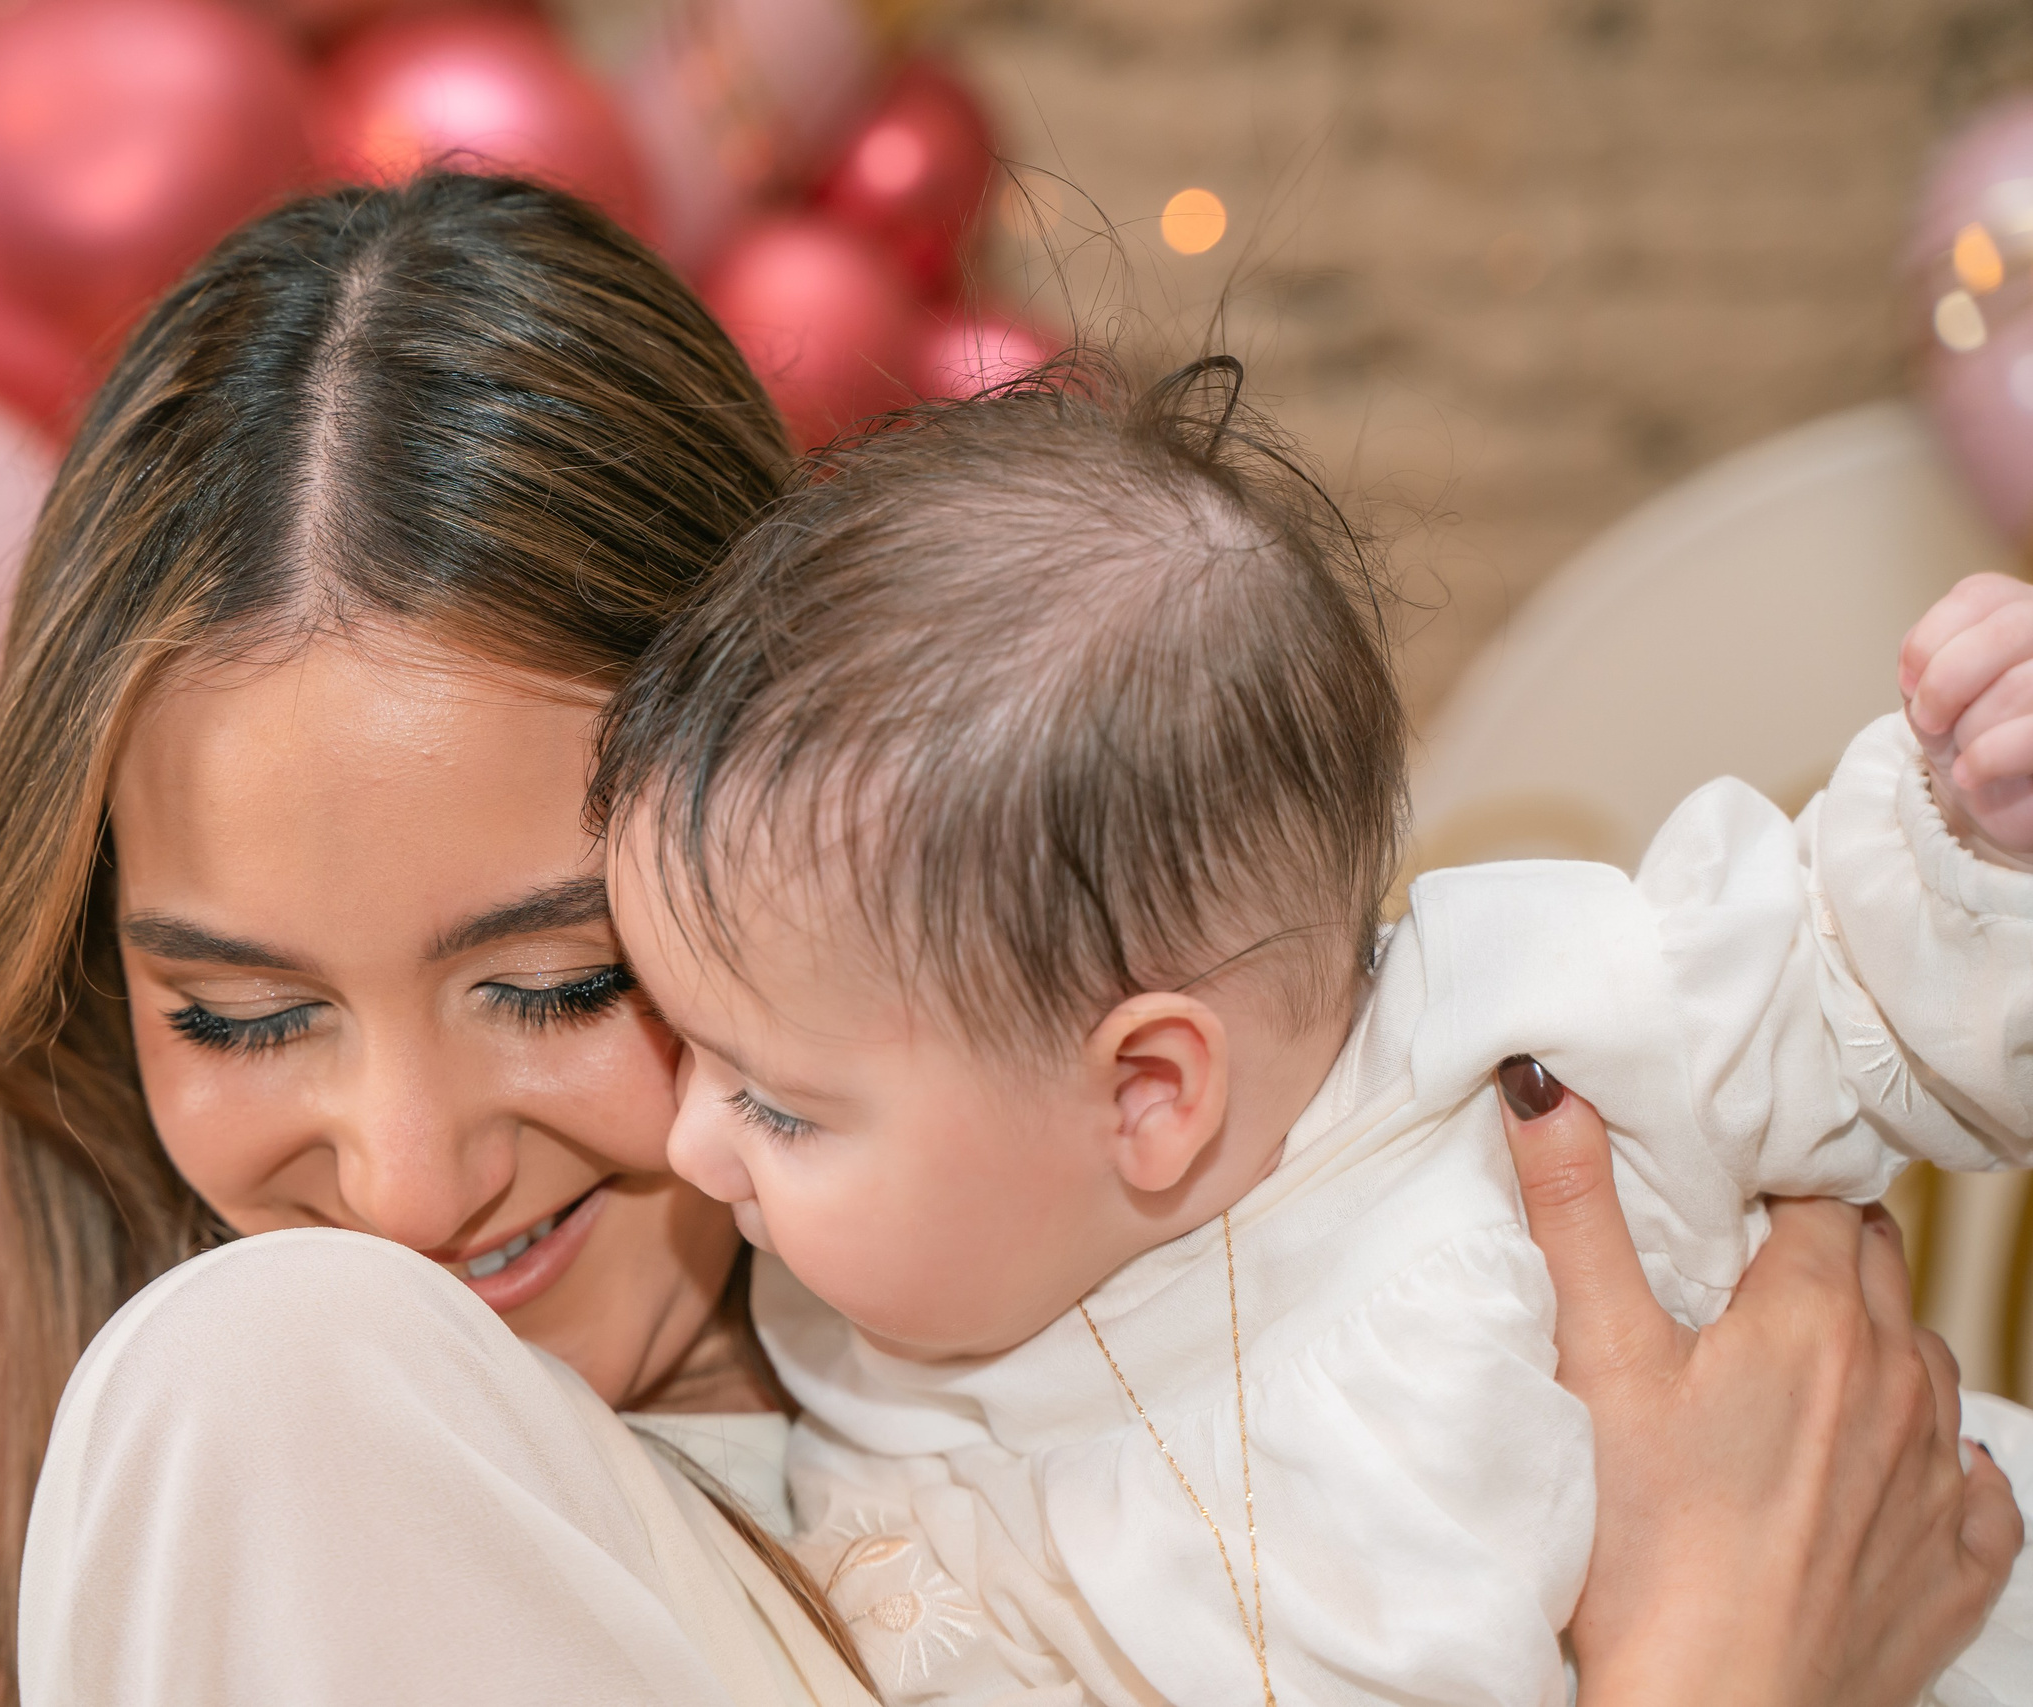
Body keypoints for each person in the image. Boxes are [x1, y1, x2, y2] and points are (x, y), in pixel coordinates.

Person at [0, 176, 2017, 1706]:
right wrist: (1719, 1658)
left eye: (562, 980)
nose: (395, 1175)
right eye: (237, 1010)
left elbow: (1828, 966)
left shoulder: (1366, 1116)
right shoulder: (273, 1424)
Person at [590, 361, 2033, 1703]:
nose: (688, 1142)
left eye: (773, 1103)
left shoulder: (1522, 1037)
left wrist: (1969, 819)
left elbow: (1846, 975)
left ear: (1152, 1093)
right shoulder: (881, 1415)